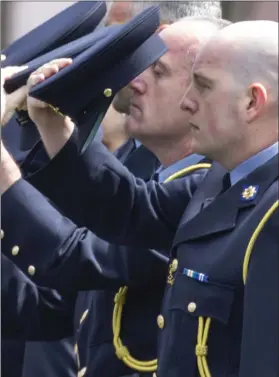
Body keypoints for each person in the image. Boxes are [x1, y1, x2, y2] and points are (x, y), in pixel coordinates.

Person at [1, 19, 278, 377]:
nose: (188, 102)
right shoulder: (217, 184)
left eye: (204, 86)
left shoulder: (269, 208)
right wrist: (52, 121)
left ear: (253, 102)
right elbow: (130, 209)